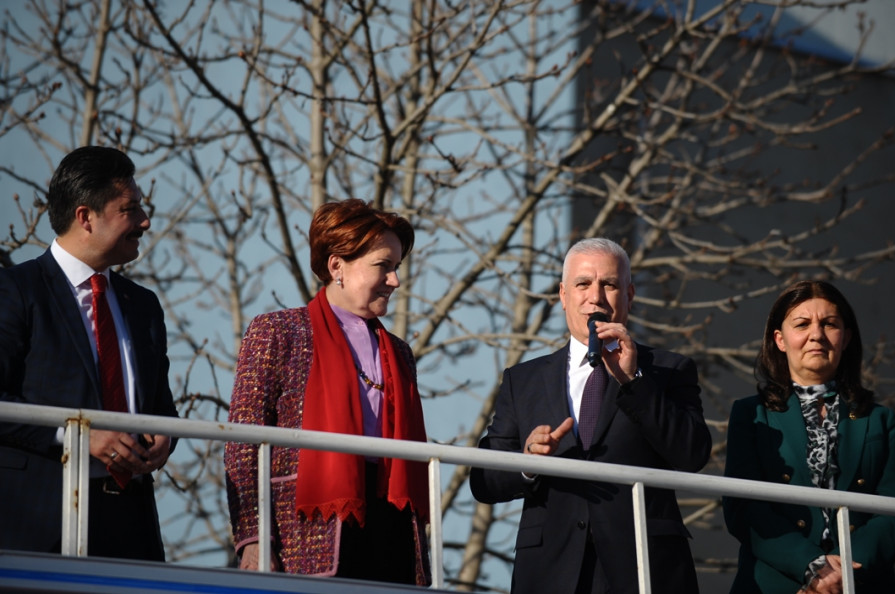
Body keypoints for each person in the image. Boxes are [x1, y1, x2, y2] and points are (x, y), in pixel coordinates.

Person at [470, 237, 712, 594]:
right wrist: (528, 462)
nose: (595, 297)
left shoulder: (669, 370)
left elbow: (692, 454)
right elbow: (484, 480)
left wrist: (632, 381)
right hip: (550, 571)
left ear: (628, 295)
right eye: (583, 284)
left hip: (644, 568)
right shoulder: (523, 380)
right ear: (563, 295)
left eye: (609, 284)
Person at [225, 198, 430, 585]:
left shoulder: (400, 352)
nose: (395, 280)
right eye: (383, 266)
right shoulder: (279, 332)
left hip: (391, 532)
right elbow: (243, 445)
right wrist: (254, 538)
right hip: (307, 532)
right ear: (337, 266)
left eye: (397, 267)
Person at [0, 146, 178, 561]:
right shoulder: (15, 292)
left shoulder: (143, 304)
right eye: (130, 209)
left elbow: (160, 406)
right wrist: (77, 437)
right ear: (86, 217)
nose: (145, 221)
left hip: (131, 527)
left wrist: (166, 436)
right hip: (37, 525)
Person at [723, 280, 895, 594]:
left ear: (845, 338)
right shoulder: (750, 415)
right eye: (802, 324)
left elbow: (894, 511)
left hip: (861, 581)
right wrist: (812, 565)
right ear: (780, 339)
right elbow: (743, 509)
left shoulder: (881, 420)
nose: (816, 335)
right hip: (777, 583)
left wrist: (844, 569)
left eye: (830, 324)